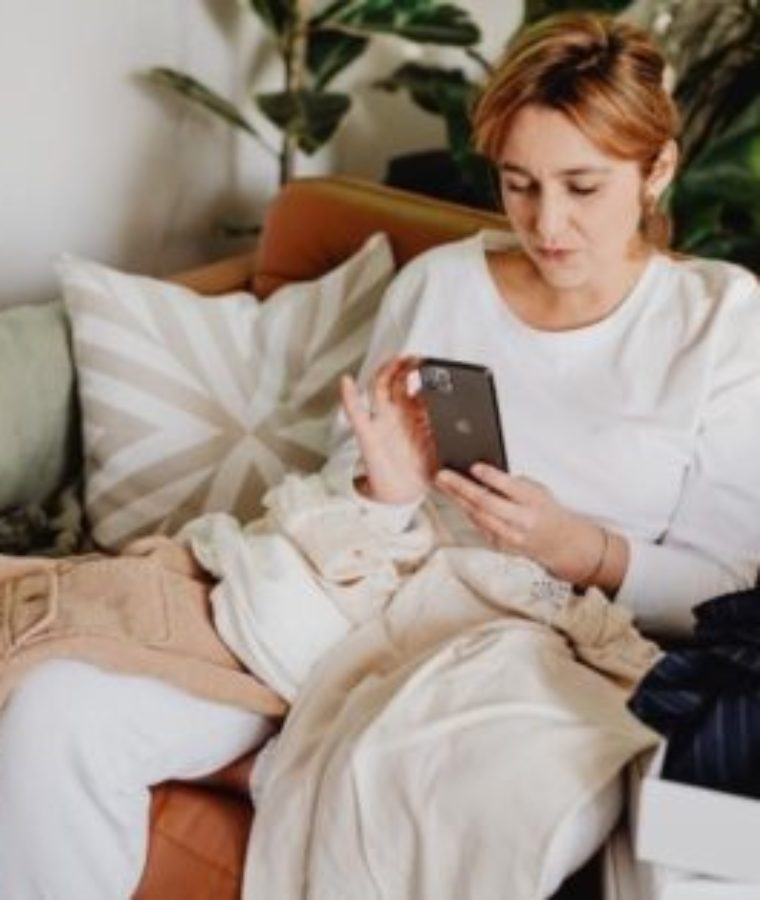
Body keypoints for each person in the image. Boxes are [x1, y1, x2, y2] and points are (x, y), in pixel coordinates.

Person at [1, 11, 760, 900]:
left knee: (681, 847)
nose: (547, 223)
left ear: (657, 170)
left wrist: (582, 551)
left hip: (559, 650)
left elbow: (734, 584)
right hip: (355, 600)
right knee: (58, 712)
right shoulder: (442, 284)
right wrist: (382, 486)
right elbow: (347, 493)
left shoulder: (721, 321)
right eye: (519, 184)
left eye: (582, 187)